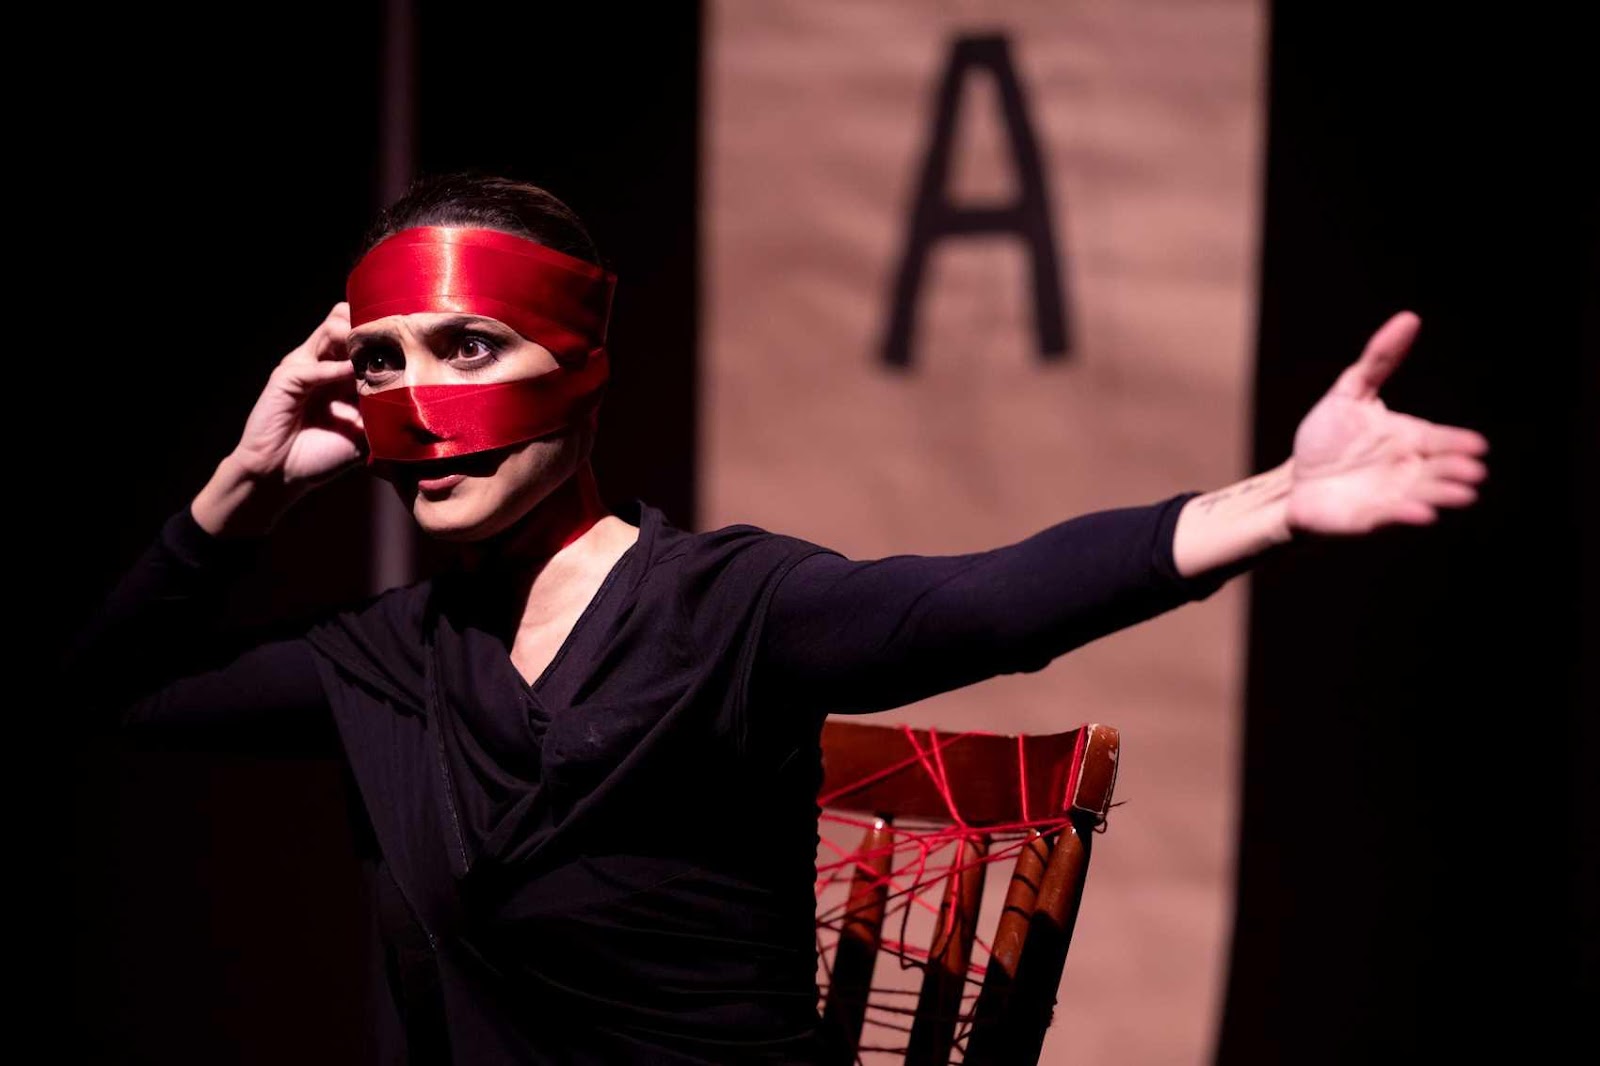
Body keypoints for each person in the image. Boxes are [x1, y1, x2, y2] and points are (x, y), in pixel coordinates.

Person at [65, 171, 1490, 1064]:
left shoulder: (724, 608)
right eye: (382, 363)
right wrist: (245, 480)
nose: (424, 405)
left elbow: (983, 603)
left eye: (472, 346)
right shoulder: (386, 663)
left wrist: (1273, 499)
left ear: (584, 369)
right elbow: (105, 690)